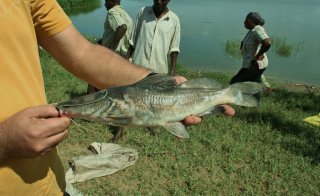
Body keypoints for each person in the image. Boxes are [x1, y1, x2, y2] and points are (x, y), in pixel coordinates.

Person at [0, 0, 233, 195]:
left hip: (53, 184)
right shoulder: (142, 13)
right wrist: (5, 142)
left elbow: (83, 54)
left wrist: (155, 81)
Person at [87, 0, 133, 94]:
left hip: (112, 54)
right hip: (123, 55)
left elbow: (122, 27)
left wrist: (110, 49)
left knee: (94, 80)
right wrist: (103, 40)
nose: (105, 4)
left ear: (112, 1)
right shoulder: (127, 15)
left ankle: (90, 103)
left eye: (106, 1)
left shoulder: (112, 12)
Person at [127, 0, 180, 76]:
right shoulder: (143, 12)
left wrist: (172, 72)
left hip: (159, 71)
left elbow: (174, 49)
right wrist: (125, 60)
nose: (159, 2)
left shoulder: (174, 20)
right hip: (138, 67)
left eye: (163, 0)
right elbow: (133, 39)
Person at [230, 12, 272, 87]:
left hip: (254, 64)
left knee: (235, 82)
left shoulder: (257, 29)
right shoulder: (252, 31)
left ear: (250, 21)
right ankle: (255, 98)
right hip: (255, 64)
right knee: (254, 86)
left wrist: (259, 54)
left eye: (246, 20)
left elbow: (267, 43)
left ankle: (235, 97)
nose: (244, 21)